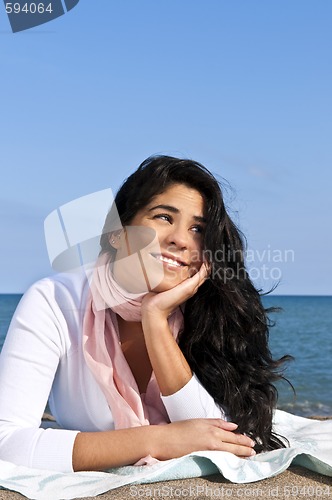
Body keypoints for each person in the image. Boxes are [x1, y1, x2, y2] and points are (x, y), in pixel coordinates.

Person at [0, 155, 292, 473]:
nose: (180, 239)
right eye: (164, 217)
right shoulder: (56, 299)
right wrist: (160, 439)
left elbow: (222, 437)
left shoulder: (210, 311)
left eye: (197, 229)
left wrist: (155, 319)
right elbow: (6, 444)